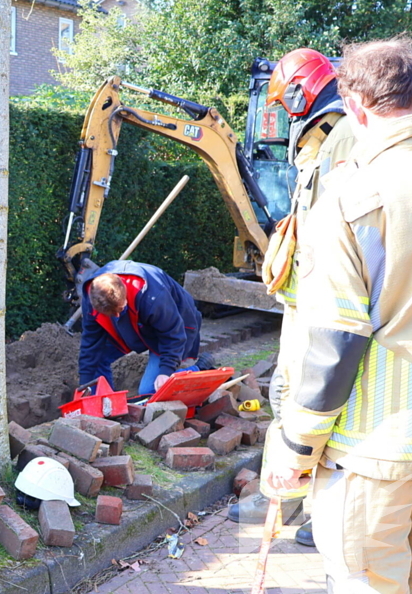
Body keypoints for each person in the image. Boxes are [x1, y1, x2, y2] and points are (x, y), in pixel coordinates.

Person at [265, 37, 412, 594]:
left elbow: (335, 339)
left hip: (374, 445)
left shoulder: (350, 196)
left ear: (353, 104)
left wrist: (295, 448)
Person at [229, 49, 357, 549]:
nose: (286, 115)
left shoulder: (340, 135)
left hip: (325, 300)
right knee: (285, 394)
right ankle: (285, 499)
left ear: (303, 91)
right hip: (304, 299)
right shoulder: (321, 136)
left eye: (286, 103)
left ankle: (314, 513)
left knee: (309, 401)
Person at [78, 260, 212, 395]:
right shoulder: (92, 299)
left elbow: (173, 335)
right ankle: (104, 404)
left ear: (125, 292)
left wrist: (165, 371)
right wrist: (85, 384)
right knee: (97, 360)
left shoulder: (153, 297)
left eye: (120, 309)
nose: (117, 315)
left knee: (149, 390)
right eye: (112, 314)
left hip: (175, 324)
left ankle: (200, 369)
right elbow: (91, 343)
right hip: (134, 323)